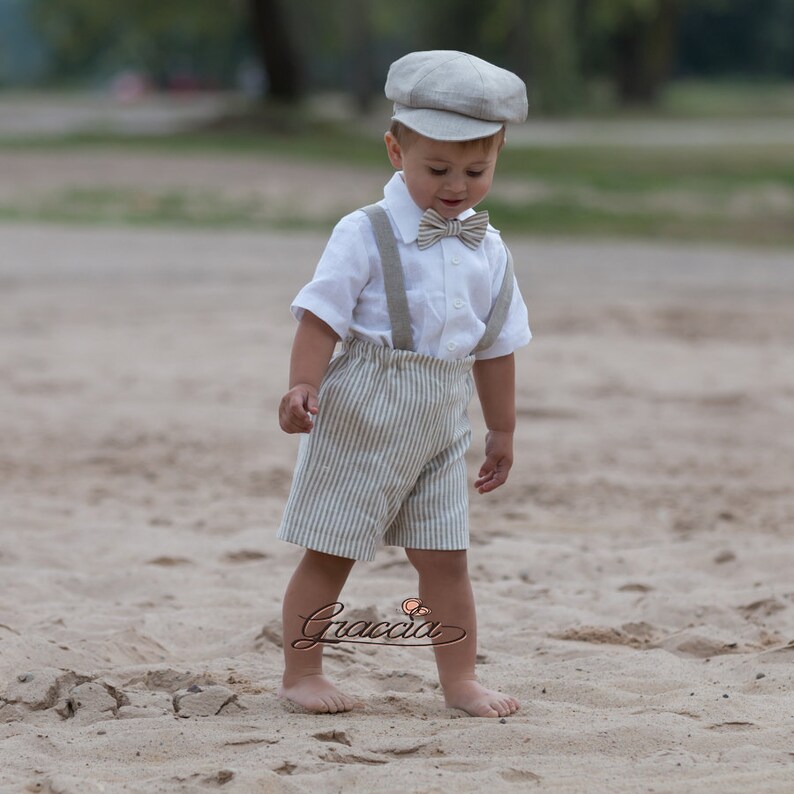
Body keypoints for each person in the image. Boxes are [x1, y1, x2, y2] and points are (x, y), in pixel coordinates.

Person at [276, 50, 531, 718]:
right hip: (365, 405)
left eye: (477, 170)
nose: (457, 187)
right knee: (332, 548)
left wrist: (501, 428)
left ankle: (460, 680)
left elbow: (496, 344)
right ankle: (302, 672)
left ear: (498, 155)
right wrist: (303, 384)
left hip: (443, 415)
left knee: (446, 558)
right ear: (396, 150)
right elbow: (321, 313)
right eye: (438, 169)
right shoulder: (365, 231)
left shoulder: (489, 247)